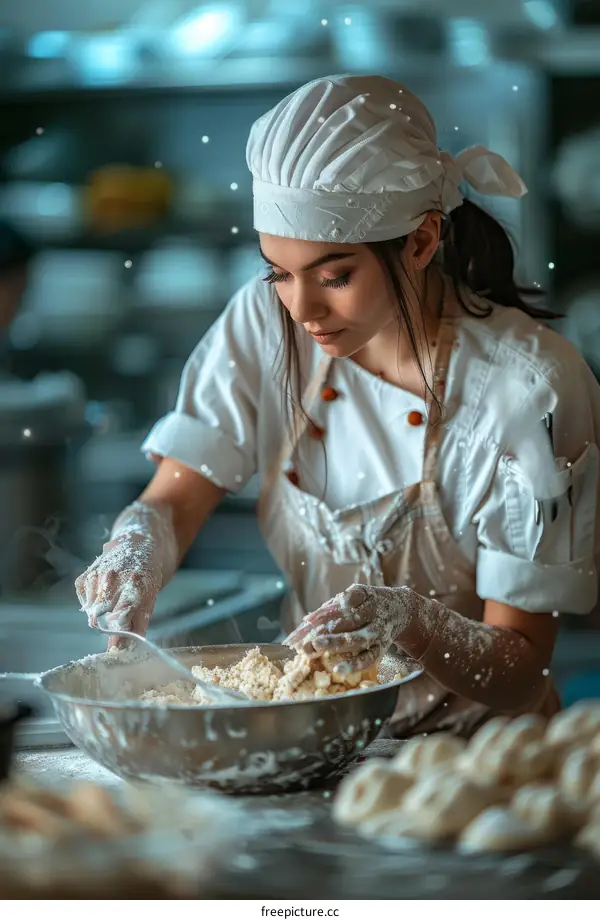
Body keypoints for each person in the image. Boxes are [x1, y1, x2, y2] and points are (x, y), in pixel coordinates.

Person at [75, 75, 600, 737]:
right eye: (277, 272)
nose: (302, 310)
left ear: (420, 241)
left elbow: (521, 666)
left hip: (481, 760)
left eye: (335, 276)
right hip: (313, 741)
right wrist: (138, 543)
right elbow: (174, 501)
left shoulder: (527, 389)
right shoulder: (266, 324)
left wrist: (412, 620)